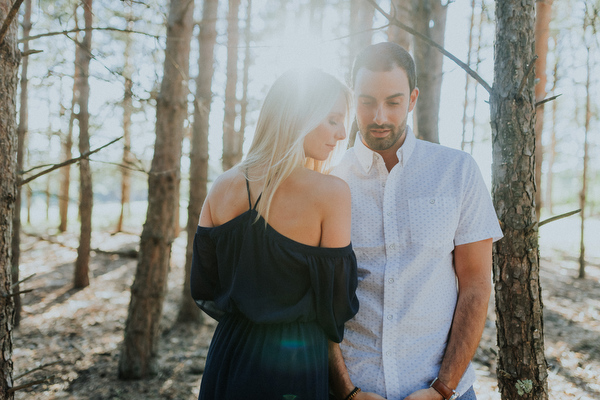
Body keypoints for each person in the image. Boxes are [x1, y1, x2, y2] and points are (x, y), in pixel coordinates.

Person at [328, 42, 503, 400]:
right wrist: (346, 391)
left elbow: (476, 285)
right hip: (353, 391)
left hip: (442, 390)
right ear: (352, 100)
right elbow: (315, 300)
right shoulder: (330, 180)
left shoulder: (457, 171)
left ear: (411, 99)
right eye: (366, 102)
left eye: (393, 102)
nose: (379, 116)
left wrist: (443, 389)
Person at [190, 69, 360, 400]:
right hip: (294, 364)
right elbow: (336, 303)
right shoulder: (331, 193)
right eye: (333, 120)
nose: (342, 135)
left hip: (229, 352)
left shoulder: (221, 186)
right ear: (300, 114)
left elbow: (206, 284)